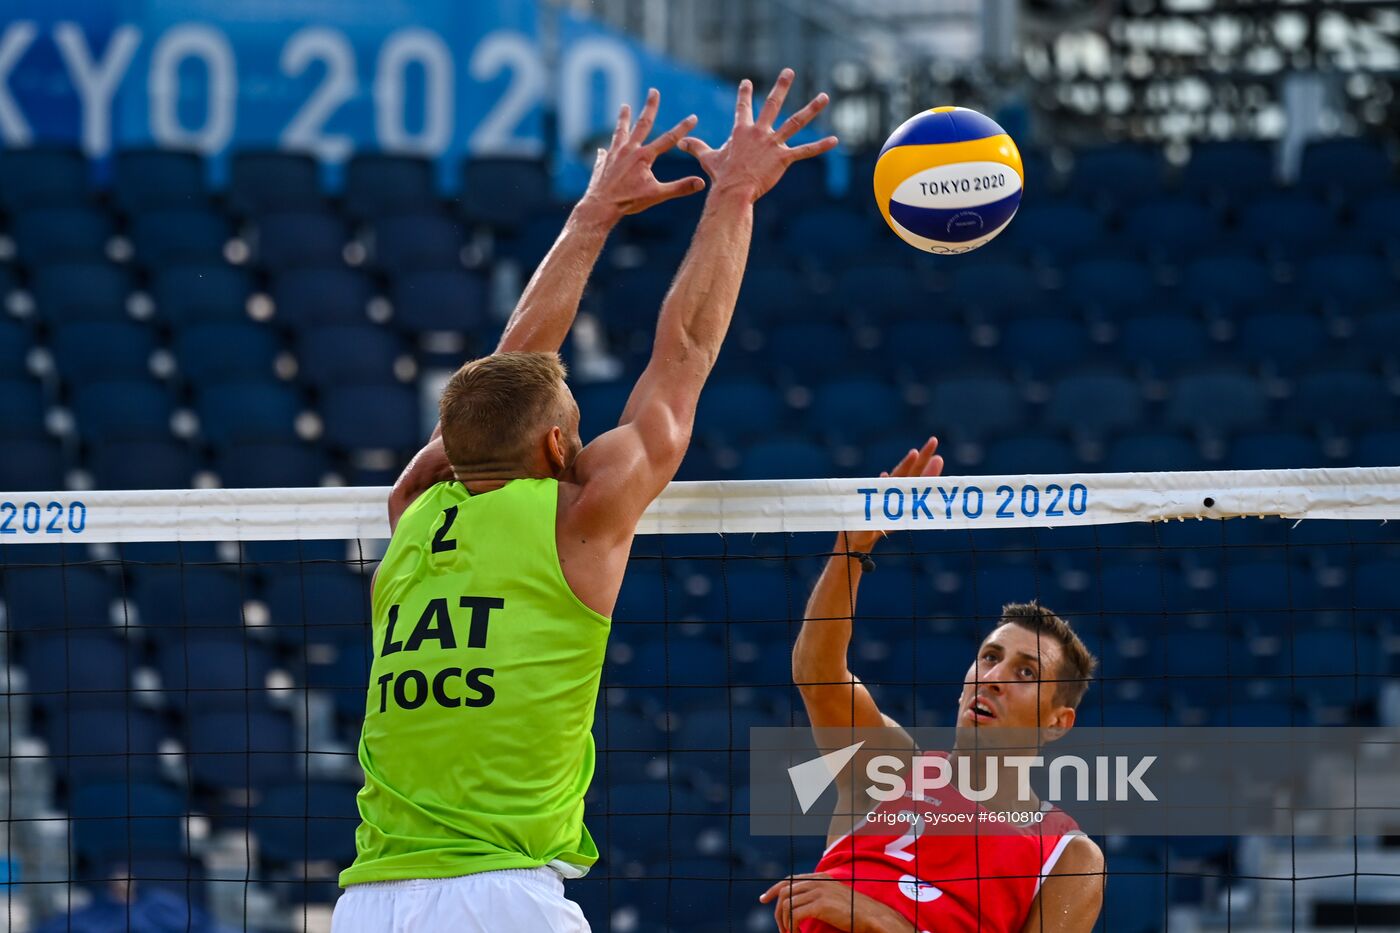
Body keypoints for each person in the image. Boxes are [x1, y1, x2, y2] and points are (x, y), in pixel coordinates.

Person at [331, 72, 838, 933]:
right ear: (560, 449)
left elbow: (495, 389)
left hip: (368, 898)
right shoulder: (576, 517)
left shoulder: (412, 508)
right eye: (572, 425)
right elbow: (682, 355)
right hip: (499, 896)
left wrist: (591, 214)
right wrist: (736, 194)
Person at [762, 438, 1106, 933]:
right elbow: (818, 677)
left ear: (1058, 721)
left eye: (1026, 672)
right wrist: (851, 549)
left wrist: (877, 918)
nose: (992, 679)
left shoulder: (1069, 856)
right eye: (989, 658)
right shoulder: (888, 768)